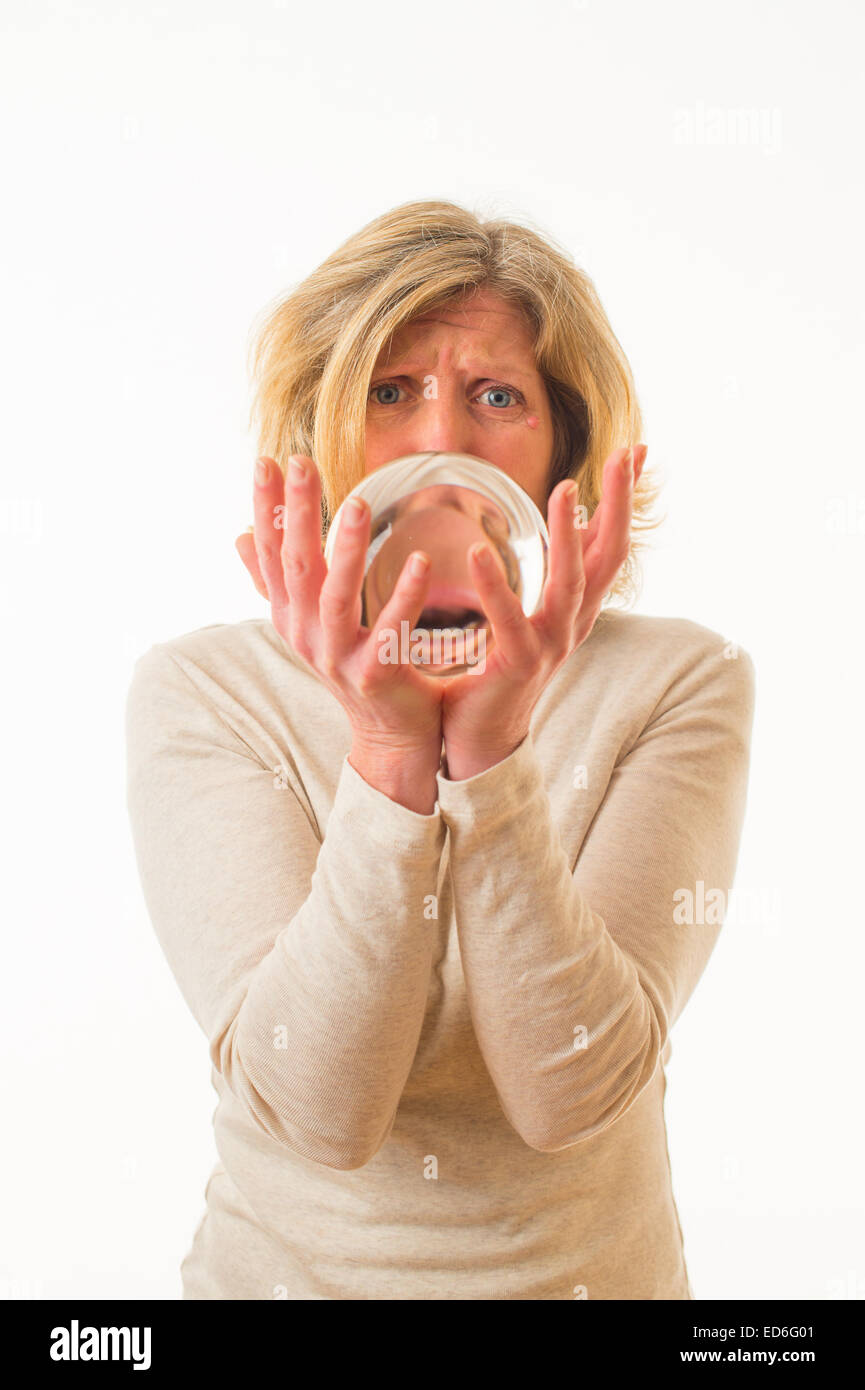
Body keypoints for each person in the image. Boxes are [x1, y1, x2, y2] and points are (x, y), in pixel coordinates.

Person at [125, 199, 756, 1300]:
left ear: (567, 443)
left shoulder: (680, 680)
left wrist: (491, 755)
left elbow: (571, 1096)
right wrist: (386, 749)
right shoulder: (205, 692)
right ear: (323, 433)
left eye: (496, 396)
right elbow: (319, 1112)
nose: (441, 444)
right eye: (390, 392)